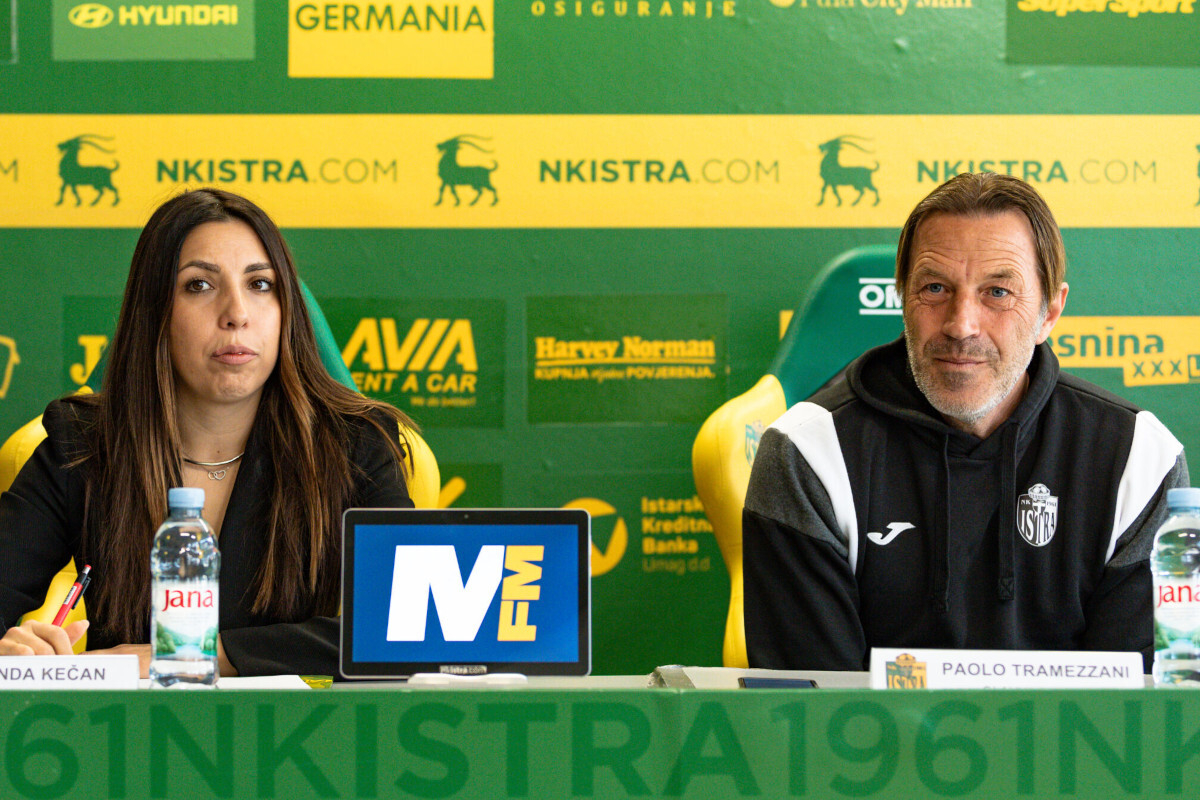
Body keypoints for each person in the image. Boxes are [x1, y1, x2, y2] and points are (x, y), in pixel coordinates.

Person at [743, 172, 1189, 672]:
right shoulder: (807, 455)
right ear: (902, 299)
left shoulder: (1139, 460)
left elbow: (1138, 722)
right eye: (935, 288)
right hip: (873, 751)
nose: (961, 325)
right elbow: (814, 722)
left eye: (998, 292)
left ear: (1050, 312)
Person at [0, 188, 414, 677]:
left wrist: (192, 659)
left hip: (303, 741)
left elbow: (404, 630)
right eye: (199, 285)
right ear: (155, 313)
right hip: (130, 741)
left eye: (260, 284)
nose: (237, 312)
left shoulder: (355, 444)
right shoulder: (84, 445)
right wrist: (19, 653)